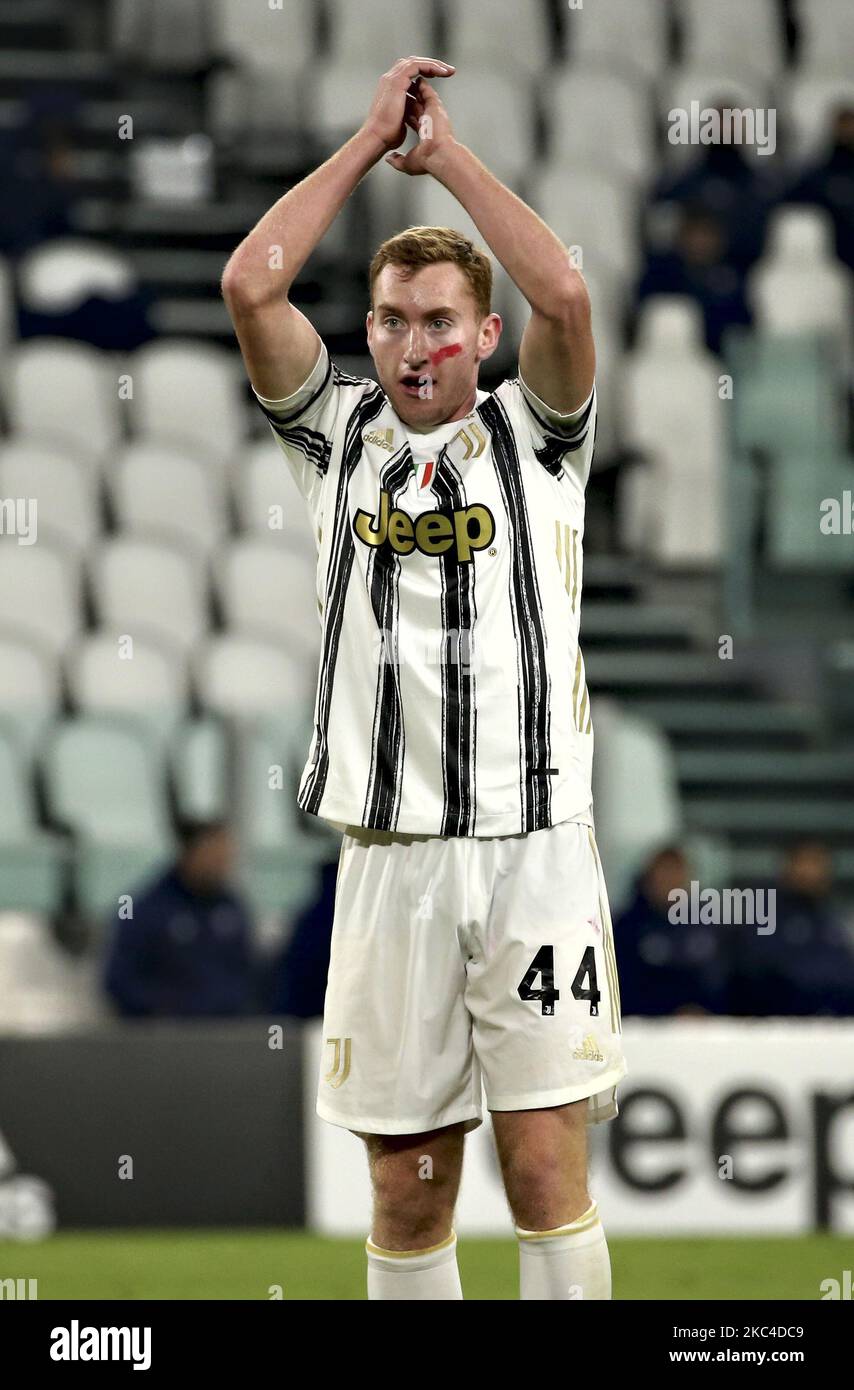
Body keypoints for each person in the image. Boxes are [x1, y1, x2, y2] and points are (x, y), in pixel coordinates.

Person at [222, 56, 625, 1302]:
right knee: (405, 1184)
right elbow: (250, 281)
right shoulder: (334, 436)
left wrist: (442, 155)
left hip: (531, 846)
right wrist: (360, 143)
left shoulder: (535, 436)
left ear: (482, 336)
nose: (411, 345)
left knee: (546, 1162)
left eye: (440, 319)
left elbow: (562, 287)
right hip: (388, 853)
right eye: (391, 321)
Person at [103, 820, 256, 1018]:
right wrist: (163, 1011)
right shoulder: (145, 910)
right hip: (167, 1038)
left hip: (226, 1033)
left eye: (224, 857)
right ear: (190, 852)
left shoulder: (232, 907)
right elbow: (119, 981)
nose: (220, 864)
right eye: (213, 855)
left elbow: (248, 974)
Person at [728, 841, 854, 1018]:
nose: (811, 872)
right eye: (805, 862)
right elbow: (760, 971)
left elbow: (844, 973)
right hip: (774, 1025)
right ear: (788, 867)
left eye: (817, 863)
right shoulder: (764, 911)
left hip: (828, 1025)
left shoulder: (831, 919)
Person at [614, 847, 727, 1017]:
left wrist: (703, 1010)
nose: (670, 881)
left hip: (702, 1026)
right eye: (664, 873)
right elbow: (622, 986)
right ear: (649, 878)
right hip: (642, 1027)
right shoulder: (627, 928)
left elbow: (720, 981)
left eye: (676, 873)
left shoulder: (708, 925)